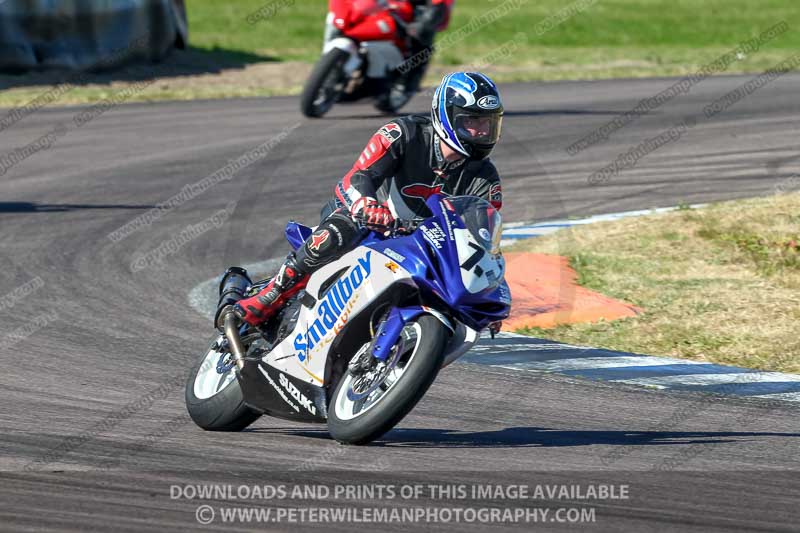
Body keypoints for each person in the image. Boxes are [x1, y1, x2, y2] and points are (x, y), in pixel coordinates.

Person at [230, 72, 504, 327]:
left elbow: (482, 239)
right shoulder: (402, 133)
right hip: (369, 224)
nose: (481, 132)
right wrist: (366, 205)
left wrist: (488, 292)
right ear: (446, 115)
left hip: (418, 248)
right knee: (346, 224)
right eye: (472, 121)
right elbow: (358, 176)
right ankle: (272, 293)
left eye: (488, 123)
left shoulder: (486, 178)